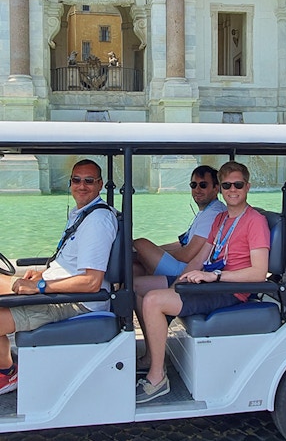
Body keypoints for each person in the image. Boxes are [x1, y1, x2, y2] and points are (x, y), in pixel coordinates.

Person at [135, 161, 270, 403]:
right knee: (138, 288)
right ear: (221, 188)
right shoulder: (220, 220)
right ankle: (152, 355)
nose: (232, 190)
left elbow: (259, 273)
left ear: (247, 186)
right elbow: (198, 259)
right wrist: (177, 284)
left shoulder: (255, 221)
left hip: (231, 290)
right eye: (227, 185)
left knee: (154, 301)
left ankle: (157, 377)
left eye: (238, 184)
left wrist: (215, 276)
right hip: (211, 282)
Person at [0, 159, 118, 396]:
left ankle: (8, 373)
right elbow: (71, 262)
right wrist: (43, 273)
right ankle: (6, 366)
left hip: (76, 302)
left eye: (88, 181)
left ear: (100, 184)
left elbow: (91, 282)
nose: (81, 186)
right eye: (76, 180)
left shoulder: (97, 221)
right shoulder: (82, 214)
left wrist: (40, 287)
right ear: (70, 182)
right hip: (59, 290)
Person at [133, 165, 226, 291]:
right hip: (187, 265)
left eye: (203, 185)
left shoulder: (213, 214)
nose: (197, 190)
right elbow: (184, 244)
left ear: (216, 188)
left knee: (140, 244)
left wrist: (153, 253)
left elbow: (187, 255)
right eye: (193, 185)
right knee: (135, 268)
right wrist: (154, 251)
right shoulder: (207, 211)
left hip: (191, 269)